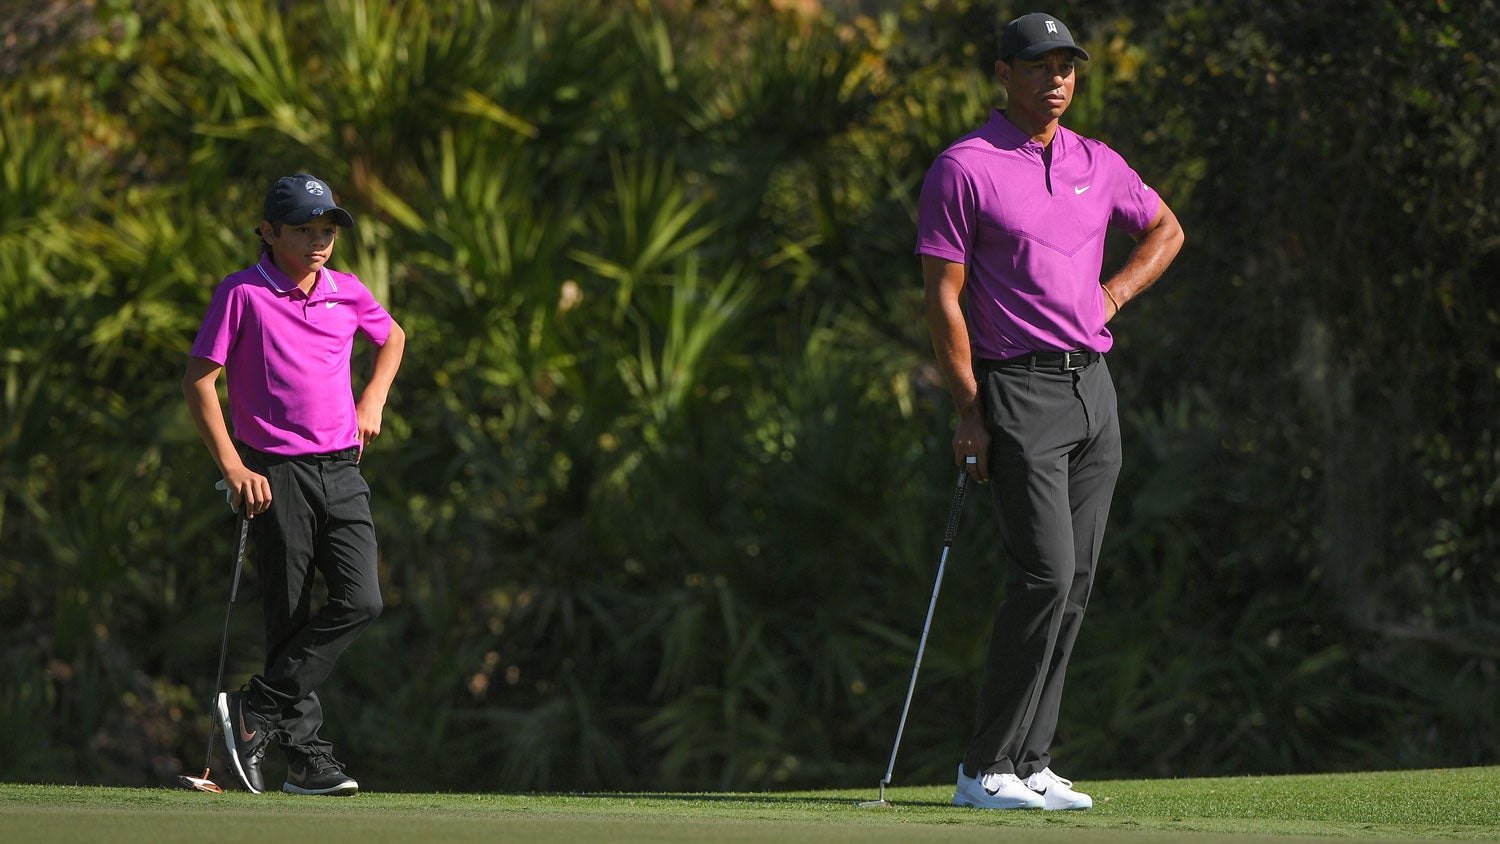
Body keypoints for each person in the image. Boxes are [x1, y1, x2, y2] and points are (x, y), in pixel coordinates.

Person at [916, 12, 1184, 811]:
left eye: (1066, 64)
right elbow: (942, 297)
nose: (1055, 78)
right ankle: (982, 769)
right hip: (1016, 389)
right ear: (1004, 73)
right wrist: (969, 408)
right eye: (1038, 65)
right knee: (1043, 573)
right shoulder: (964, 168)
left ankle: (1030, 761)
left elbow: (1167, 229)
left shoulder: (1098, 163)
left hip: (1091, 387)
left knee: (1077, 581)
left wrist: (1114, 293)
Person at [182, 173, 407, 795]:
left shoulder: (346, 291)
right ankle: (307, 763)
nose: (318, 241)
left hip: (342, 468)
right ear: (269, 232)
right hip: (272, 472)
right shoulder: (242, 293)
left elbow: (393, 338)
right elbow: (200, 382)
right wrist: (233, 467)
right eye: (305, 229)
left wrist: (373, 401)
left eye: (327, 230)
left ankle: (254, 709)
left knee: (362, 599)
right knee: (287, 614)